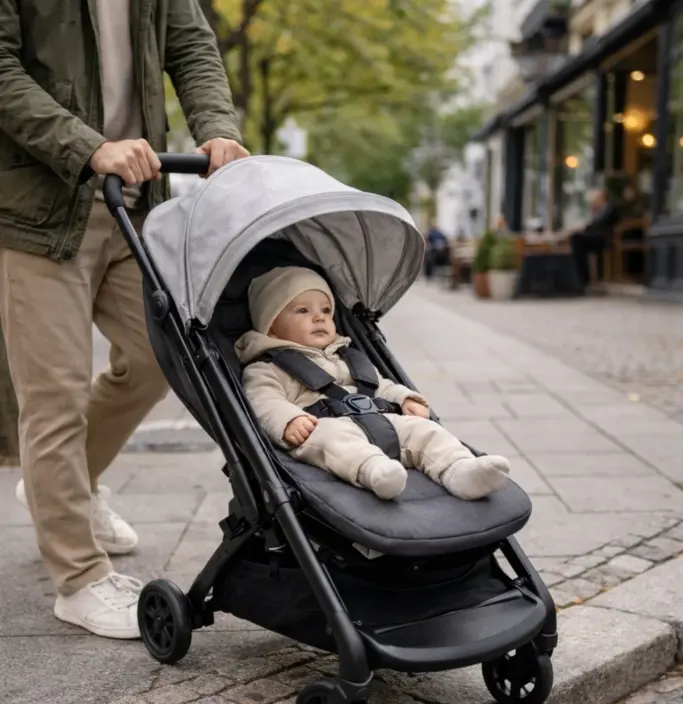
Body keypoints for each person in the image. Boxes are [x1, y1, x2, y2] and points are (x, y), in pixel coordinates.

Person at [0, 1, 248, 640]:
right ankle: (79, 578)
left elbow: (192, 48)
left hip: (134, 207)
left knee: (154, 359)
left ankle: (65, 486)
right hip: (38, 211)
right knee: (52, 397)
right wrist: (89, 147)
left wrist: (217, 127)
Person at [235, 267, 511, 501]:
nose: (319, 317)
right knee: (335, 440)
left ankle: (459, 470)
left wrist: (404, 399)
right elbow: (263, 401)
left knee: (424, 431)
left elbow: (379, 385)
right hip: (321, 427)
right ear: (270, 326)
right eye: (303, 310)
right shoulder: (266, 367)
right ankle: (374, 471)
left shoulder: (347, 356)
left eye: (326, 310)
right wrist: (289, 420)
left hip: (377, 419)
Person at [569, 187, 620, 287]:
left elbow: (600, 223)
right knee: (576, 239)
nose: (594, 201)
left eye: (596, 198)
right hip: (596, 237)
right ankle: (581, 277)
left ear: (602, 197)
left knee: (577, 240)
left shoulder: (609, 207)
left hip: (602, 239)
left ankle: (583, 278)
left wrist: (587, 226)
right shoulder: (599, 209)